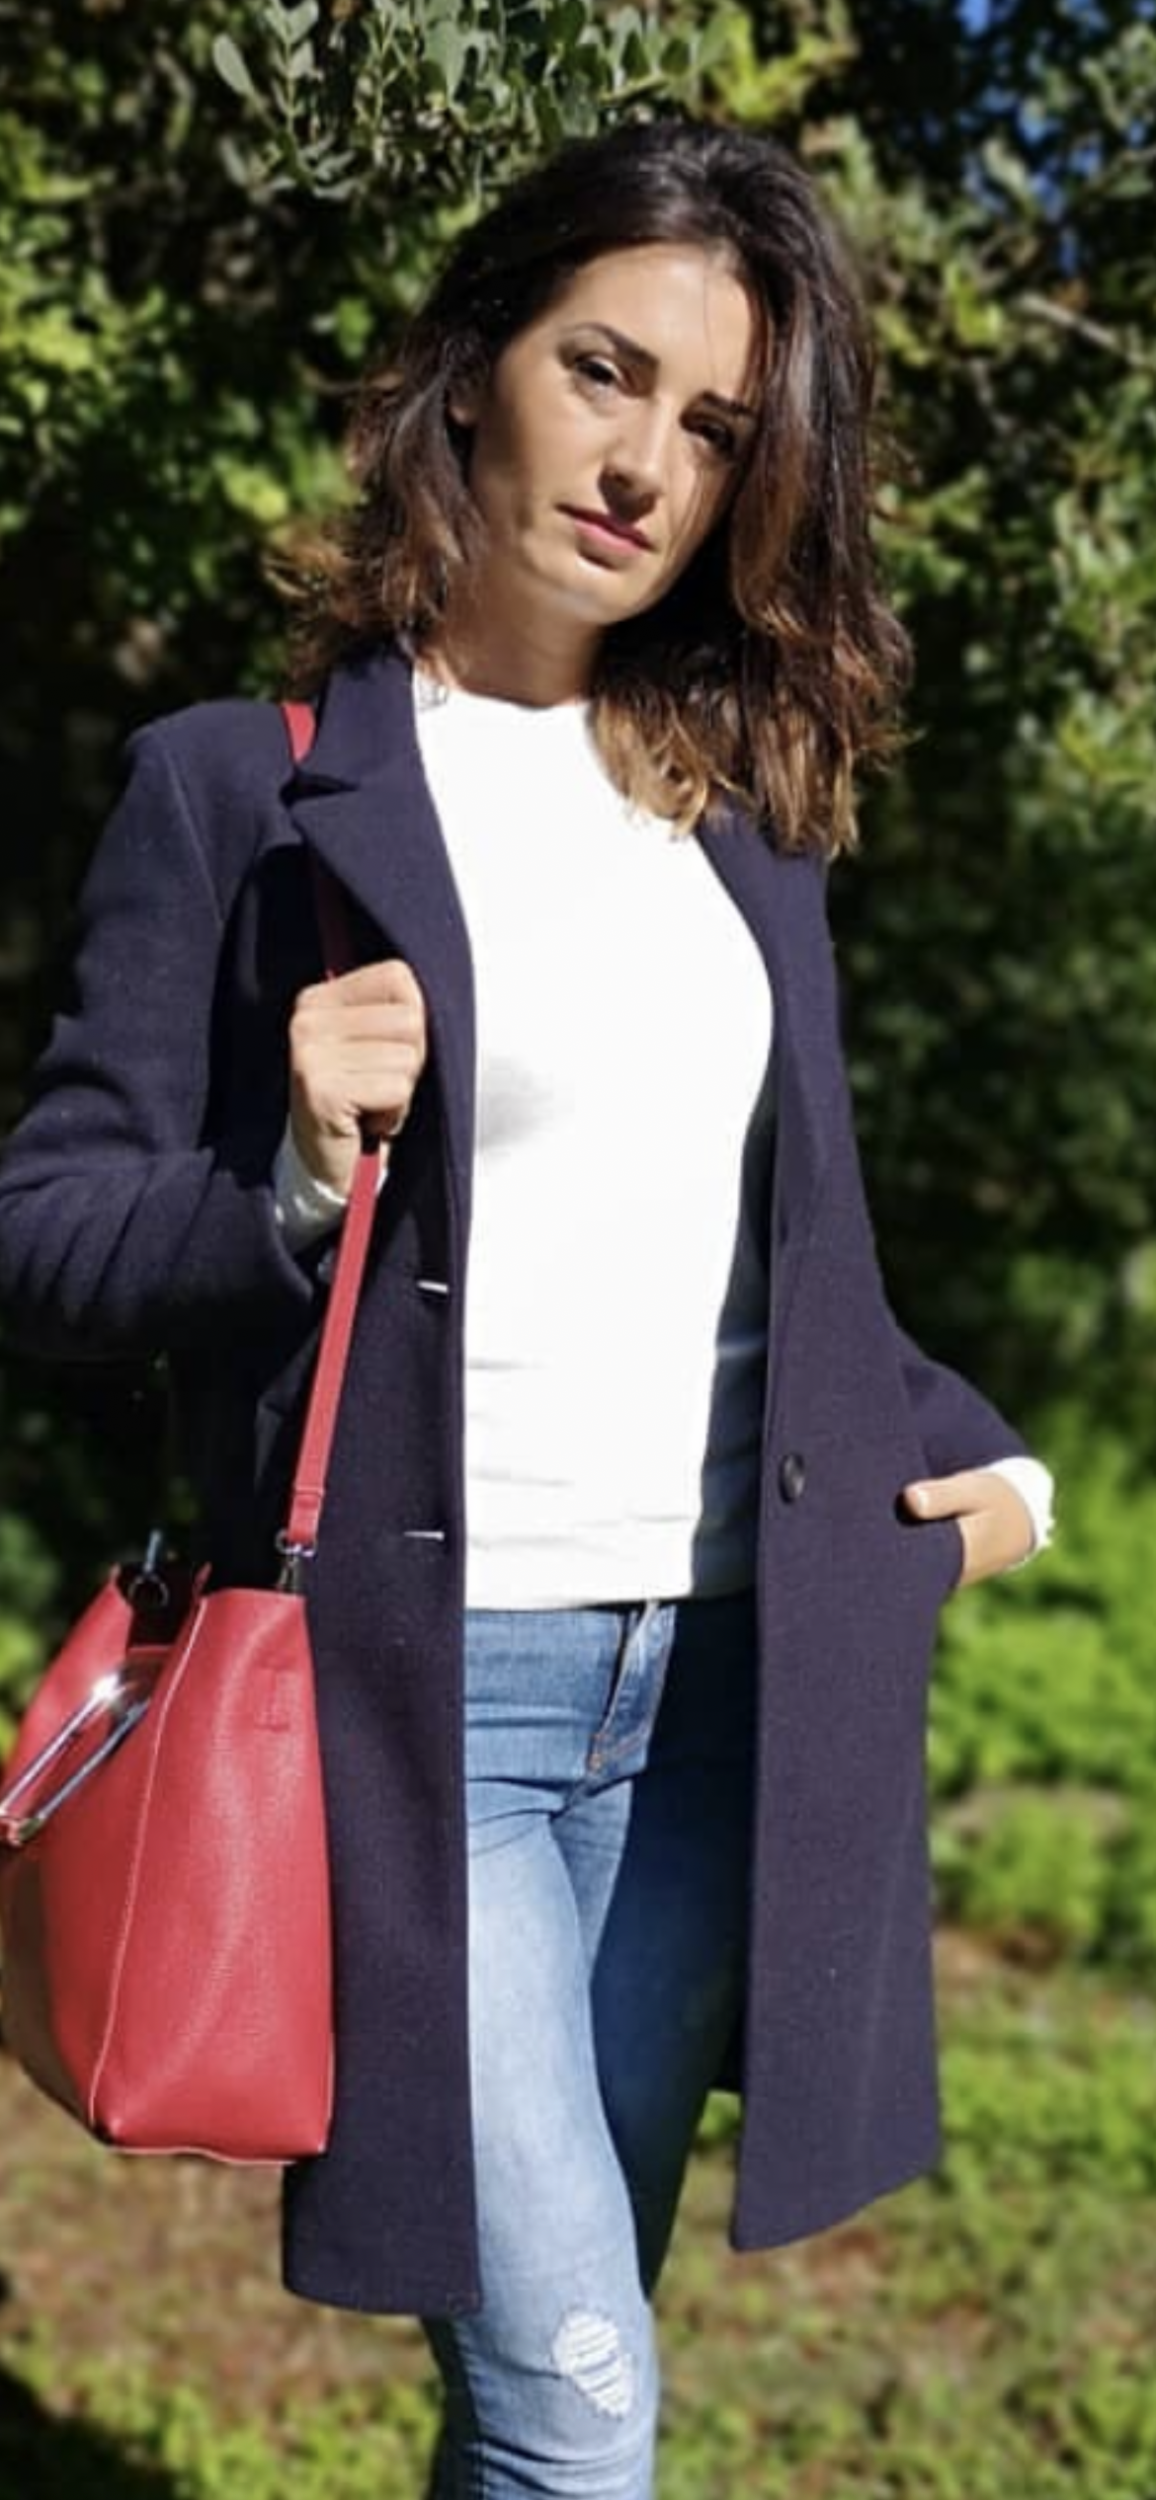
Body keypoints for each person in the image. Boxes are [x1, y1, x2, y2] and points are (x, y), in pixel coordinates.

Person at [0, 117, 1053, 2499]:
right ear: (476, 363)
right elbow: (46, 1233)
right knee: (576, 2401)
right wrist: (284, 1171)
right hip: (417, 1712)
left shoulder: (736, 814)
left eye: (714, 427)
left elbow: (774, 1254)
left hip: (714, 1691)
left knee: (547, 2369)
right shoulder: (238, 790)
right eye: (605, 371)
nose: (644, 464)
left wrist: (979, 1464)